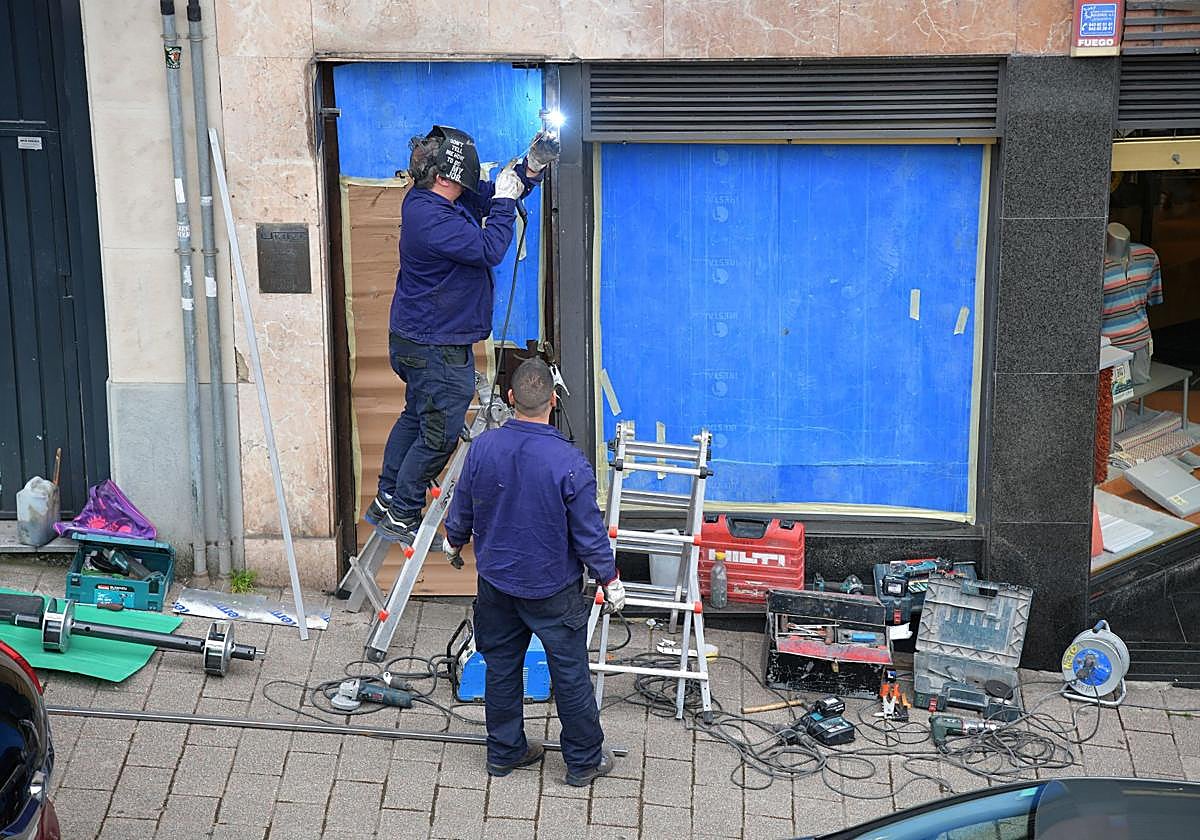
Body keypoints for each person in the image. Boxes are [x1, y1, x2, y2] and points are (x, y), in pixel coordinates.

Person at [367, 125, 560, 543]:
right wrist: (505, 202)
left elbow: (492, 193)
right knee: (438, 435)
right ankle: (403, 513)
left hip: (419, 338)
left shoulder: (437, 197)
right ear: (444, 176)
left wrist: (530, 168)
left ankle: (387, 496)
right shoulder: (432, 219)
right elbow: (490, 248)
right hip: (435, 346)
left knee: (416, 417)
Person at [443, 358, 626, 786]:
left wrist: (453, 540)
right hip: (552, 589)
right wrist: (610, 578)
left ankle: (504, 753)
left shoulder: (483, 448)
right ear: (554, 400)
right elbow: (588, 533)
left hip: (496, 583)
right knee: (570, 673)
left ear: (511, 398)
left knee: (501, 666)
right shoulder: (569, 462)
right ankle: (583, 761)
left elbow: (462, 505)